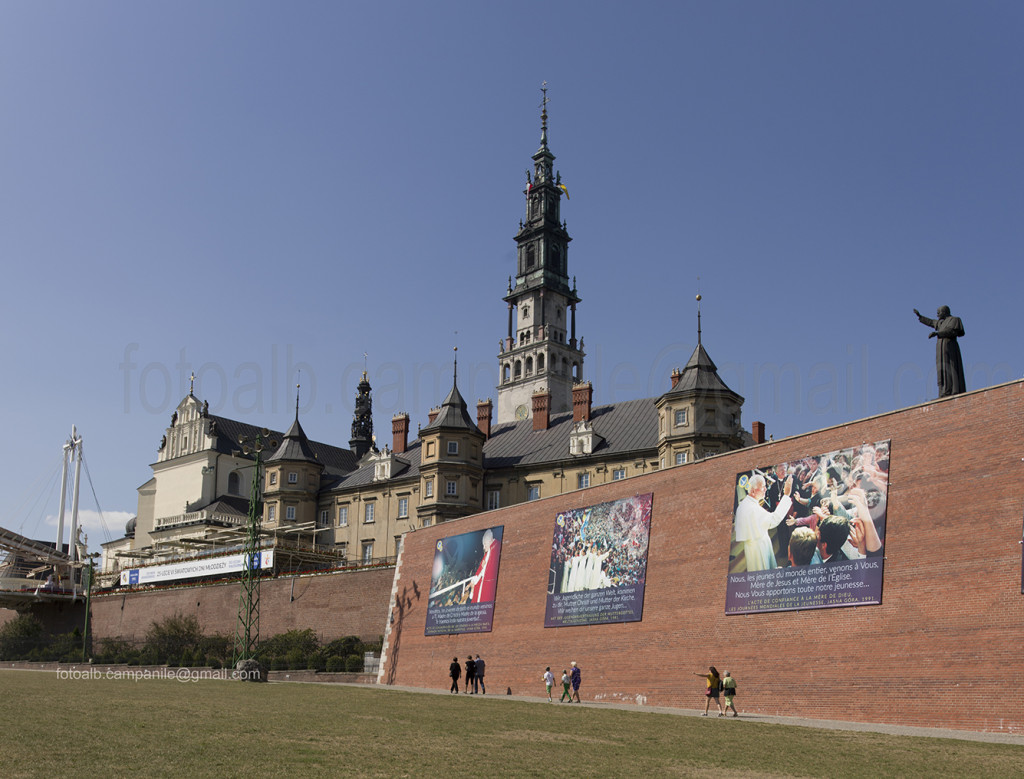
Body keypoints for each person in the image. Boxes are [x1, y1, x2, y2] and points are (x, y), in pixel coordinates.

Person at [733, 473, 793, 571]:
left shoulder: (745, 504)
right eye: (762, 487)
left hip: (753, 547)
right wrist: (786, 495)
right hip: (759, 549)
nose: (766, 489)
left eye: (766, 486)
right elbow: (774, 519)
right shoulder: (752, 508)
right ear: (753, 491)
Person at [915, 306, 966, 397]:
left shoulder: (954, 320)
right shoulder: (940, 323)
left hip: (950, 348)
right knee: (941, 369)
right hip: (940, 349)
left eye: (939, 312)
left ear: (945, 311)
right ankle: (944, 391)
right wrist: (920, 317)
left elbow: (951, 332)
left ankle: (952, 390)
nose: (937, 314)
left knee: (950, 367)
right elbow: (931, 322)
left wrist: (938, 333)